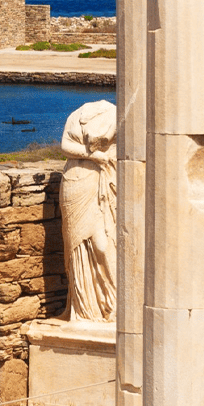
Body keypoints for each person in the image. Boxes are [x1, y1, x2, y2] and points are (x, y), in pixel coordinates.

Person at [59, 100, 117, 322]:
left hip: (102, 181)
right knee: (75, 246)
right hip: (75, 182)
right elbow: (64, 145)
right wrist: (92, 155)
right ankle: (83, 308)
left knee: (103, 245)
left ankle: (111, 303)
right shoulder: (75, 115)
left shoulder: (115, 115)